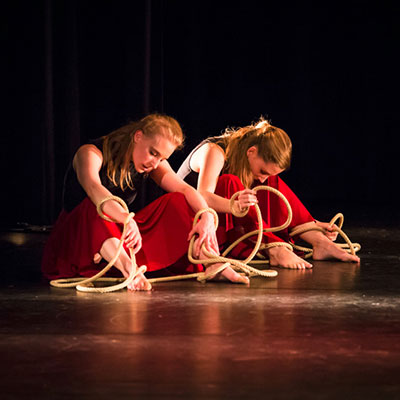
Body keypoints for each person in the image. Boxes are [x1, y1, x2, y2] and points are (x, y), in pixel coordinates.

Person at [41, 113, 249, 291]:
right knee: (93, 207)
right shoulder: (90, 153)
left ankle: (211, 263)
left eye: (161, 158)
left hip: (118, 233)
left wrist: (206, 216)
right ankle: (129, 270)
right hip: (78, 237)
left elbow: (185, 189)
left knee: (179, 200)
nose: (155, 163)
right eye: (153, 153)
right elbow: (95, 190)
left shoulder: (153, 164)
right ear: (137, 136)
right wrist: (125, 218)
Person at [177, 117, 360, 269]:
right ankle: (274, 249)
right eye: (263, 170)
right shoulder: (214, 151)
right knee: (231, 181)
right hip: (187, 222)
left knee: (271, 182)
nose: (263, 179)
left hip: (217, 220)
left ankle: (319, 241)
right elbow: (203, 196)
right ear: (251, 151)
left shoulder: (249, 162)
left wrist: (313, 224)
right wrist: (236, 205)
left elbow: (265, 189)